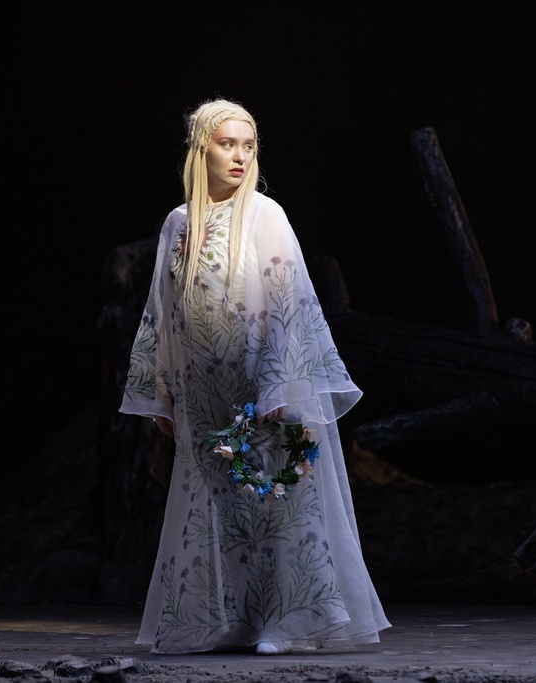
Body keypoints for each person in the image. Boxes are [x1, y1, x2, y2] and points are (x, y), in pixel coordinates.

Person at [119, 98, 391, 655]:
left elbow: (286, 302)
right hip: (203, 394)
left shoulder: (266, 215)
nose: (240, 156)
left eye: (248, 145)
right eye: (227, 144)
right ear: (202, 150)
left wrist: (278, 384)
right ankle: (226, 621)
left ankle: (284, 624)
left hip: (255, 388)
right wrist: (163, 393)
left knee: (273, 500)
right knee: (218, 506)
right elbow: (163, 312)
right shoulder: (178, 223)